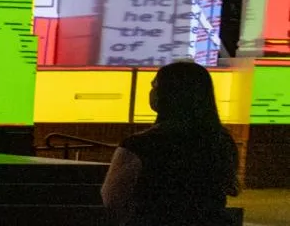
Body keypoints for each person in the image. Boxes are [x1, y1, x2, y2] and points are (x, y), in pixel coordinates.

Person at [101, 61, 239, 226]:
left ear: (170, 94)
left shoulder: (140, 145)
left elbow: (112, 200)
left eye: (155, 86)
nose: (152, 92)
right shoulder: (221, 141)